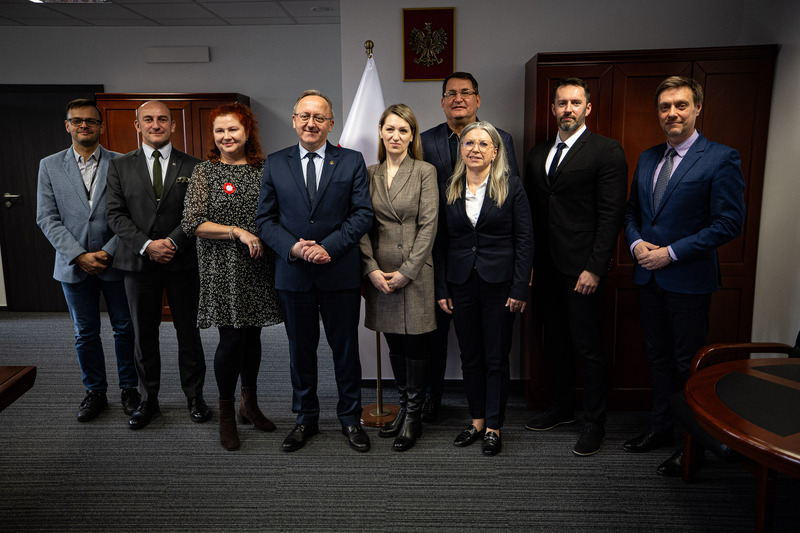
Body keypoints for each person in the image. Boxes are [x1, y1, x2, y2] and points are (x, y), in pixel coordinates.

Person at [623, 76, 745, 474]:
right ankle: (661, 430)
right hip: (648, 279)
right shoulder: (647, 157)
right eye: (664, 107)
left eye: (680, 105)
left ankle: (694, 446)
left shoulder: (720, 158)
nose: (671, 113)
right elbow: (632, 213)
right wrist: (637, 244)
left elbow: (729, 223)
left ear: (697, 109)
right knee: (657, 359)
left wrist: (671, 253)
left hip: (688, 281)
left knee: (687, 365)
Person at [256, 90, 374, 453]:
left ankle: (350, 419)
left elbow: (363, 214)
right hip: (293, 274)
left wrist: (330, 247)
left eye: (319, 117)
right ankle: (305, 418)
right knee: (300, 351)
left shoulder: (352, 161)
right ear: (294, 121)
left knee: (345, 349)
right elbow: (265, 218)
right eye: (304, 116)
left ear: (331, 123)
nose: (311, 123)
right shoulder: (275, 163)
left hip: (339, 273)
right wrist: (293, 248)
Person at [524, 78, 628, 456]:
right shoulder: (538, 154)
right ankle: (562, 407)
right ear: (552, 109)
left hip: (583, 270)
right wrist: (531, 265)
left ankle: (595, 422)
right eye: (561, 103)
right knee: (556, 343)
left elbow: (611, 214)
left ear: (588, 108)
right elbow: (533, 215)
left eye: (575, 102)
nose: (568, 109)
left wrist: (595, 268)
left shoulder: (606, 151)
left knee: (588, 346)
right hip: (547, 269)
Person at [181, 103, 282, 451]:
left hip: (257, 265)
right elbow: (193, 223)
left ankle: (248, 404)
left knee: (252, 337)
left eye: (233, 130)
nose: (226, 136)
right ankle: (226, 414)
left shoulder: (264, 169)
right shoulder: (205, 172)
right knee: (231, 340)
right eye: (220, 131)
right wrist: (238, 231)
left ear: (247, 132)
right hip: (221, 268)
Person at [421, 71, 519, 423]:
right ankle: (432, 399)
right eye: (451, 93)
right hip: (445, 261)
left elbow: (515, 215)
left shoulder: (502, 139)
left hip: (495, 269)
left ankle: (492, 423)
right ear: (443, 101)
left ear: (478, 100)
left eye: (466, 92)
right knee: (442, 343)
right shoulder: (425, 140)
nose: (458, 98)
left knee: (493, 352)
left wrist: (521, 274)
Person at [106, 100, 210, 430]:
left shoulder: (194, 166)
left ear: (173, 125)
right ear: (137, 125)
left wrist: (174, 241)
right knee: (143, 334)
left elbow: (198, 212)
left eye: (162, 119)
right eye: (148, 120)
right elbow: (115, 214)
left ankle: (194, 396)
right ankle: (148, 398)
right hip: (138, 264)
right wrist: (147, 245)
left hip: (183, 262)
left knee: (188, 333)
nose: (156, 125)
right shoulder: (120, 166)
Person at [36, 99, 139, 422]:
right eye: (77, 121)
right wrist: (79, 255)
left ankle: (128, 389)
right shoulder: (49, 165)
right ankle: (95, 391)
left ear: (101, 126)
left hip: (116, 260)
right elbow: (47, 217)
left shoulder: (122, 163)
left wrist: (108, 251)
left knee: (125, 329)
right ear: (67, 125)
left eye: (91, 122)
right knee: (85, 332)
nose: (84, 126)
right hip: (72, 264)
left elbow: (129, 215)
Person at [435, 121, 533, 456]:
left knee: (496, 356)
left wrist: (520, 288)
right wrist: (442, 287)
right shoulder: (450, 186)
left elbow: (524, 240)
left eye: (483, 143)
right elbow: (442, 244)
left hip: (500, 284)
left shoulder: (512, 186)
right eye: (468, 143)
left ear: (495, 151)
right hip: (461, 283)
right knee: (470, 356)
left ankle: (494, 425)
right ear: (461, 150)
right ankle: (476, 420)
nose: (475, 148)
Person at [359, 104, 438, 452]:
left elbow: (429, 226)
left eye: (403, 130)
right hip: (379, 273)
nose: (396, 136)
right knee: (394, 345)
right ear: (380, 131)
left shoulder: (425, 171)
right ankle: (404, 408)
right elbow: (361, 223)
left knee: (417, 345)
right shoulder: (368, 172)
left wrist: (407, 272)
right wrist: (371, 268)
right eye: (390, 129)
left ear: (412, 135)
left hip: (415, 273)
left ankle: (414, 417)